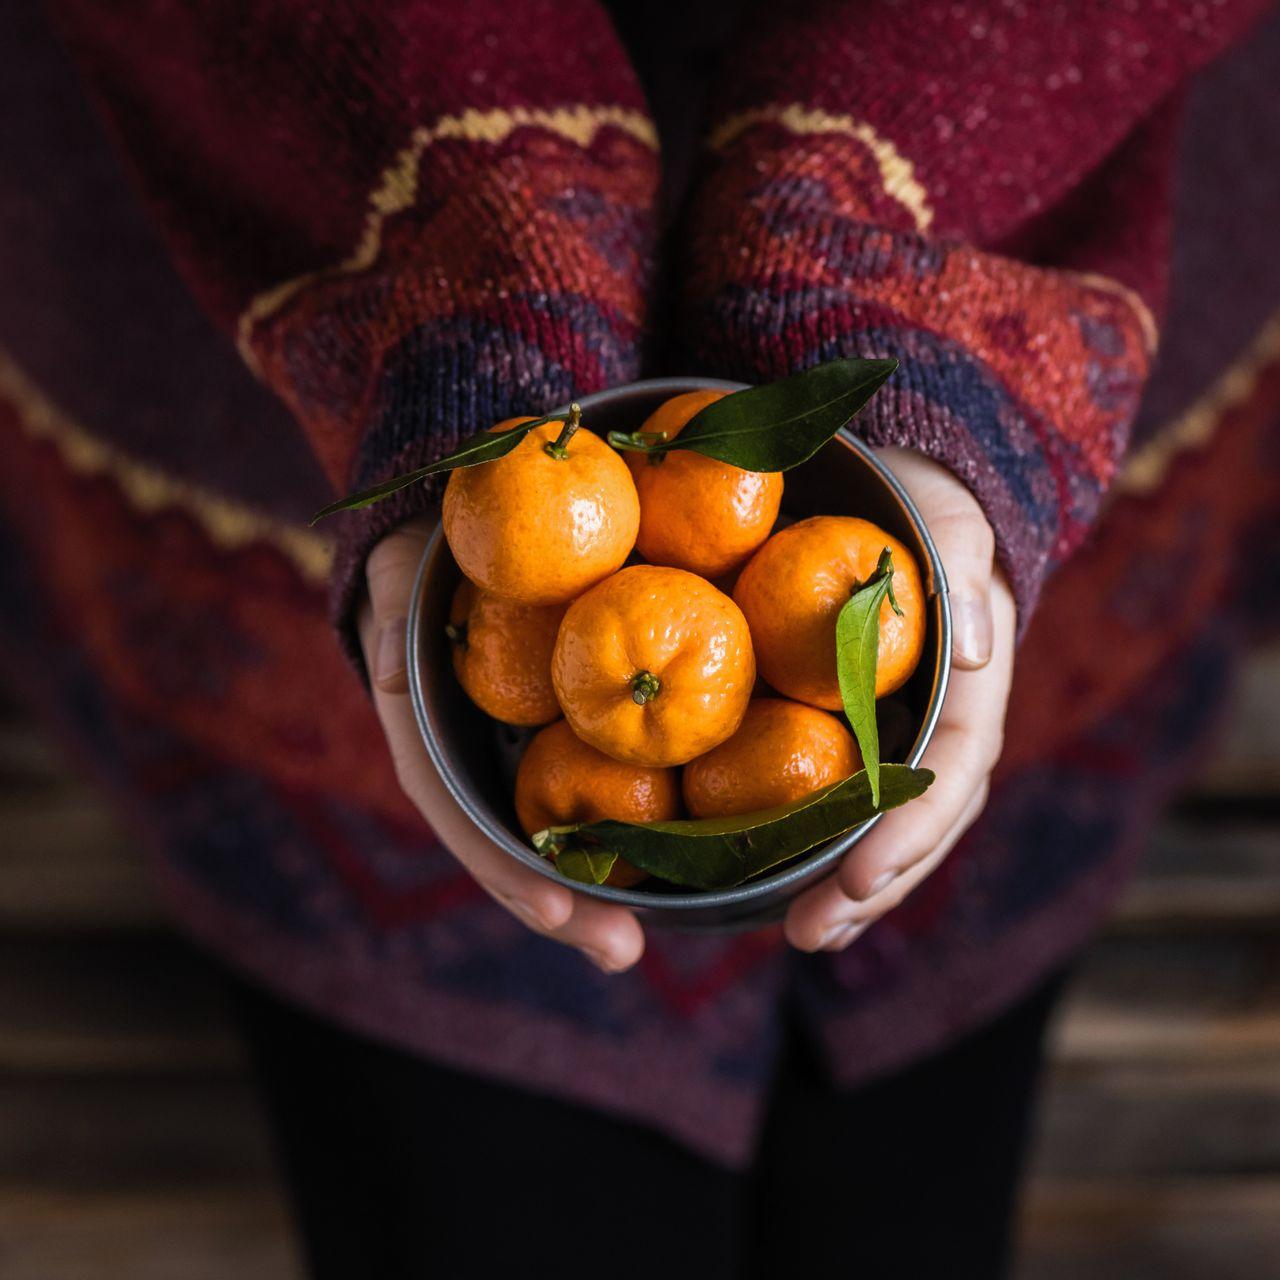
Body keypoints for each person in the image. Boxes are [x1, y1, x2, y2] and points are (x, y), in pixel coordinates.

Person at [2, 1, 1277, 1276]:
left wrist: (882, 260)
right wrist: (469, 276)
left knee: (912, 1184)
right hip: (277, 292)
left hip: (1025, 176)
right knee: (474, 1190)